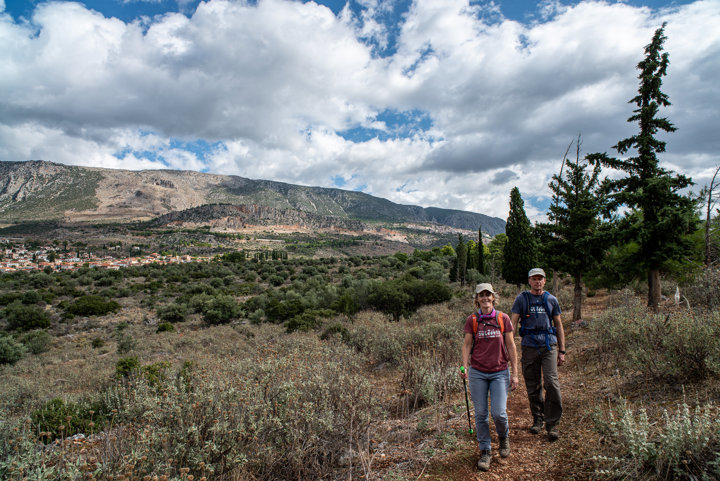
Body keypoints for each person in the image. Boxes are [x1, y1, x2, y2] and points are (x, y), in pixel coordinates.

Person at [460, 283, 519, 472]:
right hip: (478, 372)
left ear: (493, 297)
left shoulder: (503, 318)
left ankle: (503, 437)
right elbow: (467, 345)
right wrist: (464, 366)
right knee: (481, 414)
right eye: (481, 295)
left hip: (500, 372)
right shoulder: (473, 320)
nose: (485, 298)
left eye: (488, 294)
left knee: (499, 413)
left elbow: (511, 346)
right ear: (476, 299)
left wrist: (515, 374)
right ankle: (485, 450)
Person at [510, 268, 566, 441]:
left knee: (551, 383)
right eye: (534, 279)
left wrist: (562, 350)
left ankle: (552, 423)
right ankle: (538, 419)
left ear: (545, 280)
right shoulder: (521, 299)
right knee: (533, 386)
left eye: (540, 279)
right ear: (529, 281)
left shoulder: (551, 299)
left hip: (549, 346)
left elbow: (559, 325)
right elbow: (512, 324)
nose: (537, 282)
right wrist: (508, 348)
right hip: (529, 346)